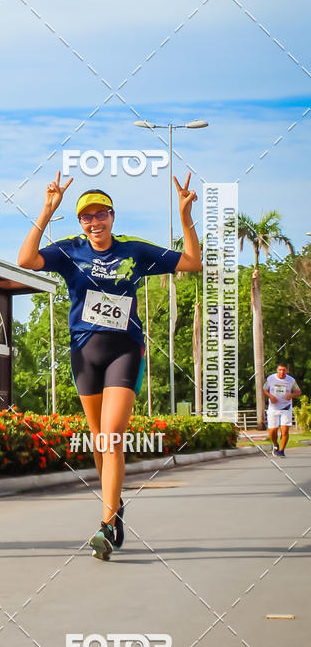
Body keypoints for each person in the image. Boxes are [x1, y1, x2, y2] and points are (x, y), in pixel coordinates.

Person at [18, 172, 202, 560]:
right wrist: (47, 210)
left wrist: (185, 218)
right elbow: (26, 260)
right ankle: (114, 507)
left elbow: (191, 262)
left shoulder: (134, 250)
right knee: (99, 440)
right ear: (81, 223)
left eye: (101, 215)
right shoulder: (69, 251)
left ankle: (105, 524)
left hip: (124, 349)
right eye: (87, 217)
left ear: (112, 217)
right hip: (84, 353)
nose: (94, 222)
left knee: (112, 436)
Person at [263, 363, 301, 456]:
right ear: (277, 370)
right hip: (273, 407)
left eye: (284, 370)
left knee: (284, 430)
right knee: (272, 430)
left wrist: (291, 395)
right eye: (280, 370)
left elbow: (298, 392)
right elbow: (264, 389)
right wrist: (271, 396)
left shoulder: (291, 380)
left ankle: (282, 451)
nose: (282, 372)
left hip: (286, 407)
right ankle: (275, 444)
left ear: (287, 371)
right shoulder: (271, 378)